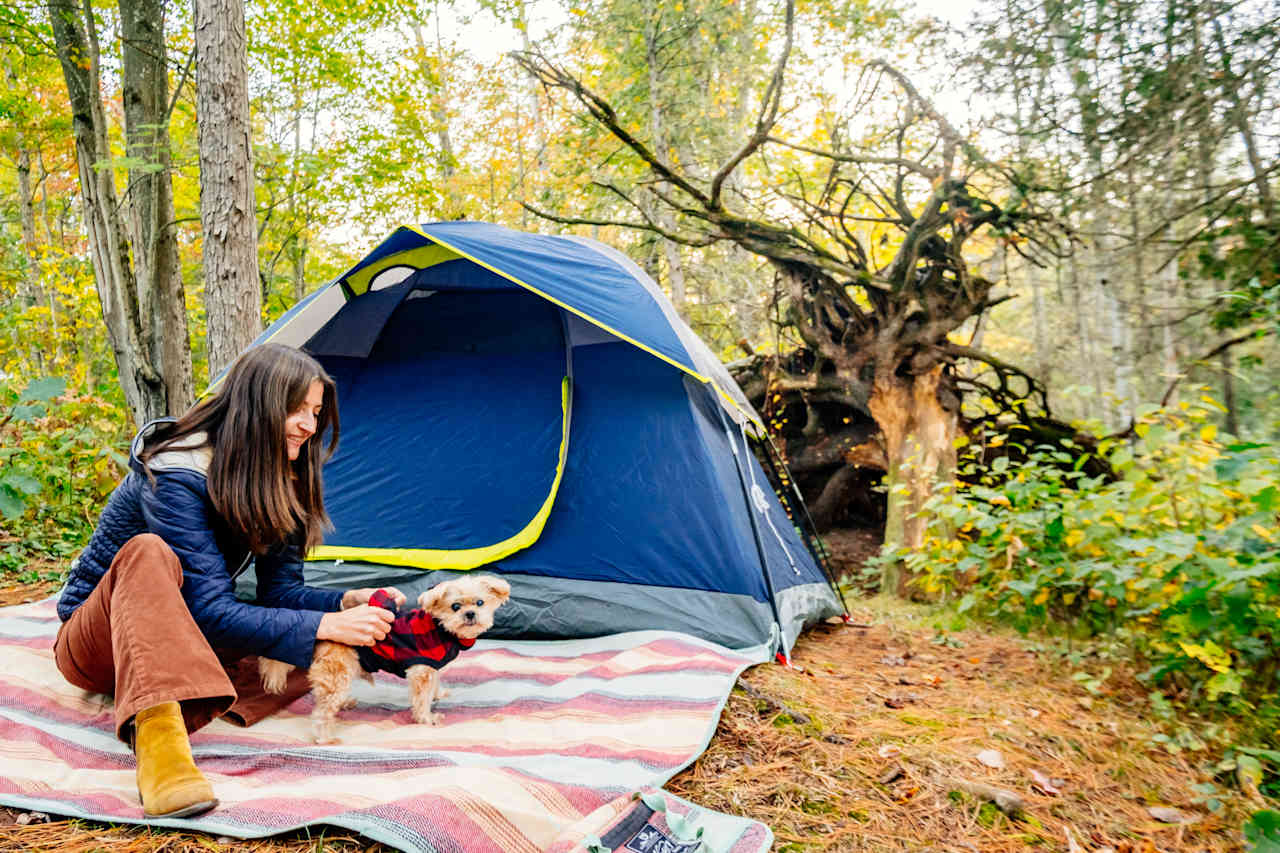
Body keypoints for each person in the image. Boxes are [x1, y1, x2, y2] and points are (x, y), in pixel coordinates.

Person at [54, 343, 404, 819]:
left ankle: (194, 688)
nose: (309, 424)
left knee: (299, 647)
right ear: (257, 406)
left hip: (183, 633)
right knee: (147, 553)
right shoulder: (178, 469)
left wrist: (344, 603)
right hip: (101, 644)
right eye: (296, 409)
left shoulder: (279, 476)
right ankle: (160, 747)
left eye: (316, 412)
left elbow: (280, 595)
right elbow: (209, 612)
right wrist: (322, 628)